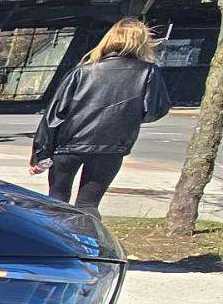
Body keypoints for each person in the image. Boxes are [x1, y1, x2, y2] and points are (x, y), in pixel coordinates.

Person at [29, 18, 171, 210]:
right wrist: (129, 116)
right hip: (111, 147)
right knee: (88, 204)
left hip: (68, 146)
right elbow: (156, 110)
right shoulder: (148, 72)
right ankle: (86, 238)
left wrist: (40, 155)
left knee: (56, 201)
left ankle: (53, 239)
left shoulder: (82, 71)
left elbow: (53, 116)